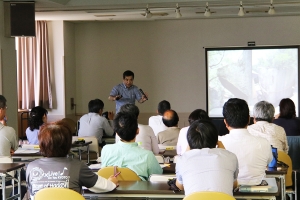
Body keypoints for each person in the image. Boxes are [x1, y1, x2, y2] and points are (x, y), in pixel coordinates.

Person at [26, 120, 118, 199]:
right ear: (68, 144)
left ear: (42, 144)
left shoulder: (31, 167)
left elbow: (34, 195)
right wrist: (112, 181)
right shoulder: (78, 166)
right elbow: (104, 186)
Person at [176, 120, 238, 196]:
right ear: (216, 140)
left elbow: (180, 186)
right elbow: (233, 185)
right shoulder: (231, 157)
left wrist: (186, 153)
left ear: (190, 142)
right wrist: (224, 152)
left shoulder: (182, 160)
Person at [219, 98, 273, 185]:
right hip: (260, 195)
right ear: (249, 119)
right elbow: (268, 162)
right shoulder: (264, 143)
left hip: (228, 194)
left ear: (225, 122)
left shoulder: (218, 143)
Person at [101, 112, 162, 181]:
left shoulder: (106, 149)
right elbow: (158, 177)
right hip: (138, 191)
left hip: (112, 190)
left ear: (117, 133)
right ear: (138, 131)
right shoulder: (147, 155)